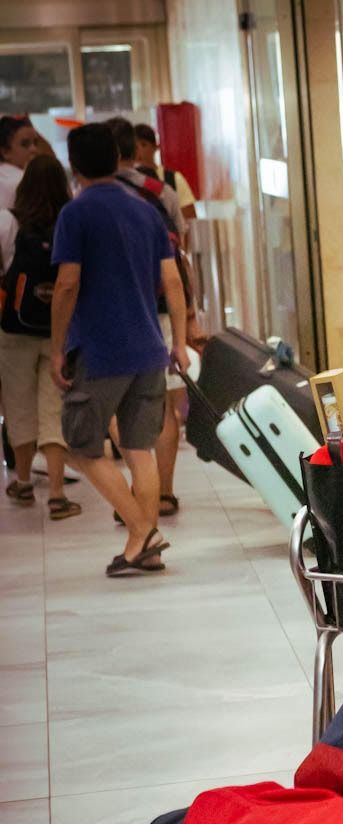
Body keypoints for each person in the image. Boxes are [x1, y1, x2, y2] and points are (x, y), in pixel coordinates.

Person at [49, 123, 188, 575]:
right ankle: (140, 543)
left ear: (74, 165)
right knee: (138, 447)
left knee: (82, 444)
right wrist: (179, 342)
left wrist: (56, 349)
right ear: (116, 157)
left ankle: (141, 530)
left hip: (101, 349)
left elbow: (67, 283)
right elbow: (171, 279)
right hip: (150, 345)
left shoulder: (76, 213)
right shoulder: (145, 210)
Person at [108, 116, 196, 517]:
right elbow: (178, 260)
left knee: (116, 407)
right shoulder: (162, 192)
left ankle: (136, 489)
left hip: (112, 317)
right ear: (134, 148)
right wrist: (186, 323)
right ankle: (164, 491)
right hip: (159, 313)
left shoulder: (92, 196)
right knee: (161, 407)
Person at [0, 154, 80, 518]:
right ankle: (59, 493)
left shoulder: (8, 222)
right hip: (58, 328)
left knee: (18, 404)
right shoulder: (72, 219)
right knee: (54, 407)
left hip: (14, 329)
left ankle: (23, 482)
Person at [133, 123, 197, 224]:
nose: (138, 151)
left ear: (156, 147)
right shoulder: (128, 180)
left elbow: (189, 218)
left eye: (143, 145)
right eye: (134, 147)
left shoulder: (174, 178)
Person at [0, 116, 39, 210]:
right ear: (6, 152)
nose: (34, 149)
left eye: (35, 143)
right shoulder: (24, 182)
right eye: (25, 144)